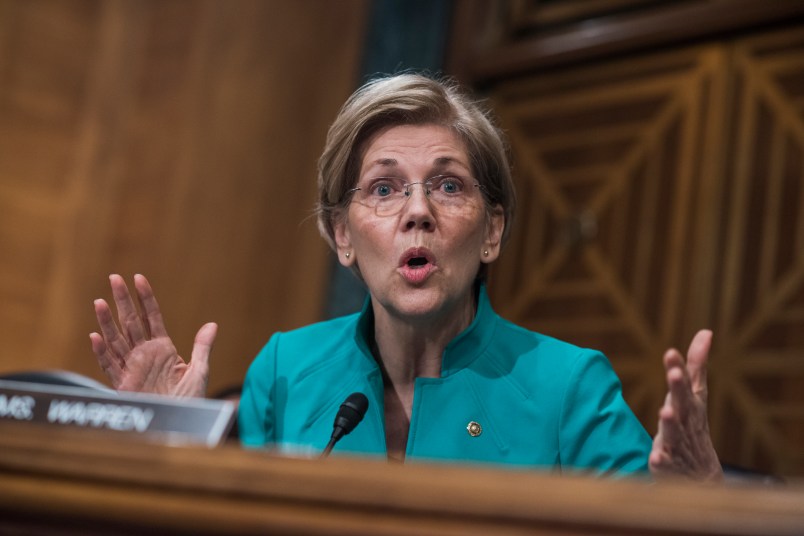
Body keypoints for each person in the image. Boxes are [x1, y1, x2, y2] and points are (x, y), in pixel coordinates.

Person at [89, 73, 722, 480]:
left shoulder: (569, 388)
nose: (418, 211)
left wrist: (701, 502)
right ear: (343, 235)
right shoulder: (285, 369)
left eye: (448, 185)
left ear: (492, 231)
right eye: (384, 188)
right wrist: (163, 441)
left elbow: (665, 517)